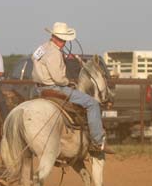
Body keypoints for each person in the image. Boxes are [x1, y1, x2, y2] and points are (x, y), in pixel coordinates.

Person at [31, 22, 114, 154]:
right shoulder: (55, 53)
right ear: (55, 37)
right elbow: (58, 79)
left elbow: (34, 59)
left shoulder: (41, 48)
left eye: (63, 39)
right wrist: (67, 81)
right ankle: (98, 142)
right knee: (92, 103)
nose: (63, 42)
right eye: (61, 39)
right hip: (55, 88)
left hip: (38, 88)